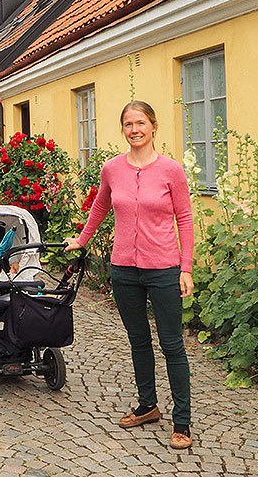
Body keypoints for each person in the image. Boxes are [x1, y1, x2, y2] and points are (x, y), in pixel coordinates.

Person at [65, 100, 194, 449]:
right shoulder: (112, 169)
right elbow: (100, 206)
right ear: (122, 129)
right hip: (123, 269)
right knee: (138, 340)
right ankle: (148, 406)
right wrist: (82, 239)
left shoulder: (171, 170)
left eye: (140, 123)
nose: (134, 129)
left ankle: (182, 422)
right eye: (128, 124)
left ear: (154, 126)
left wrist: (186, 267)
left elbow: (184, 217)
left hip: (164, 269)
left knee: (172, 345)